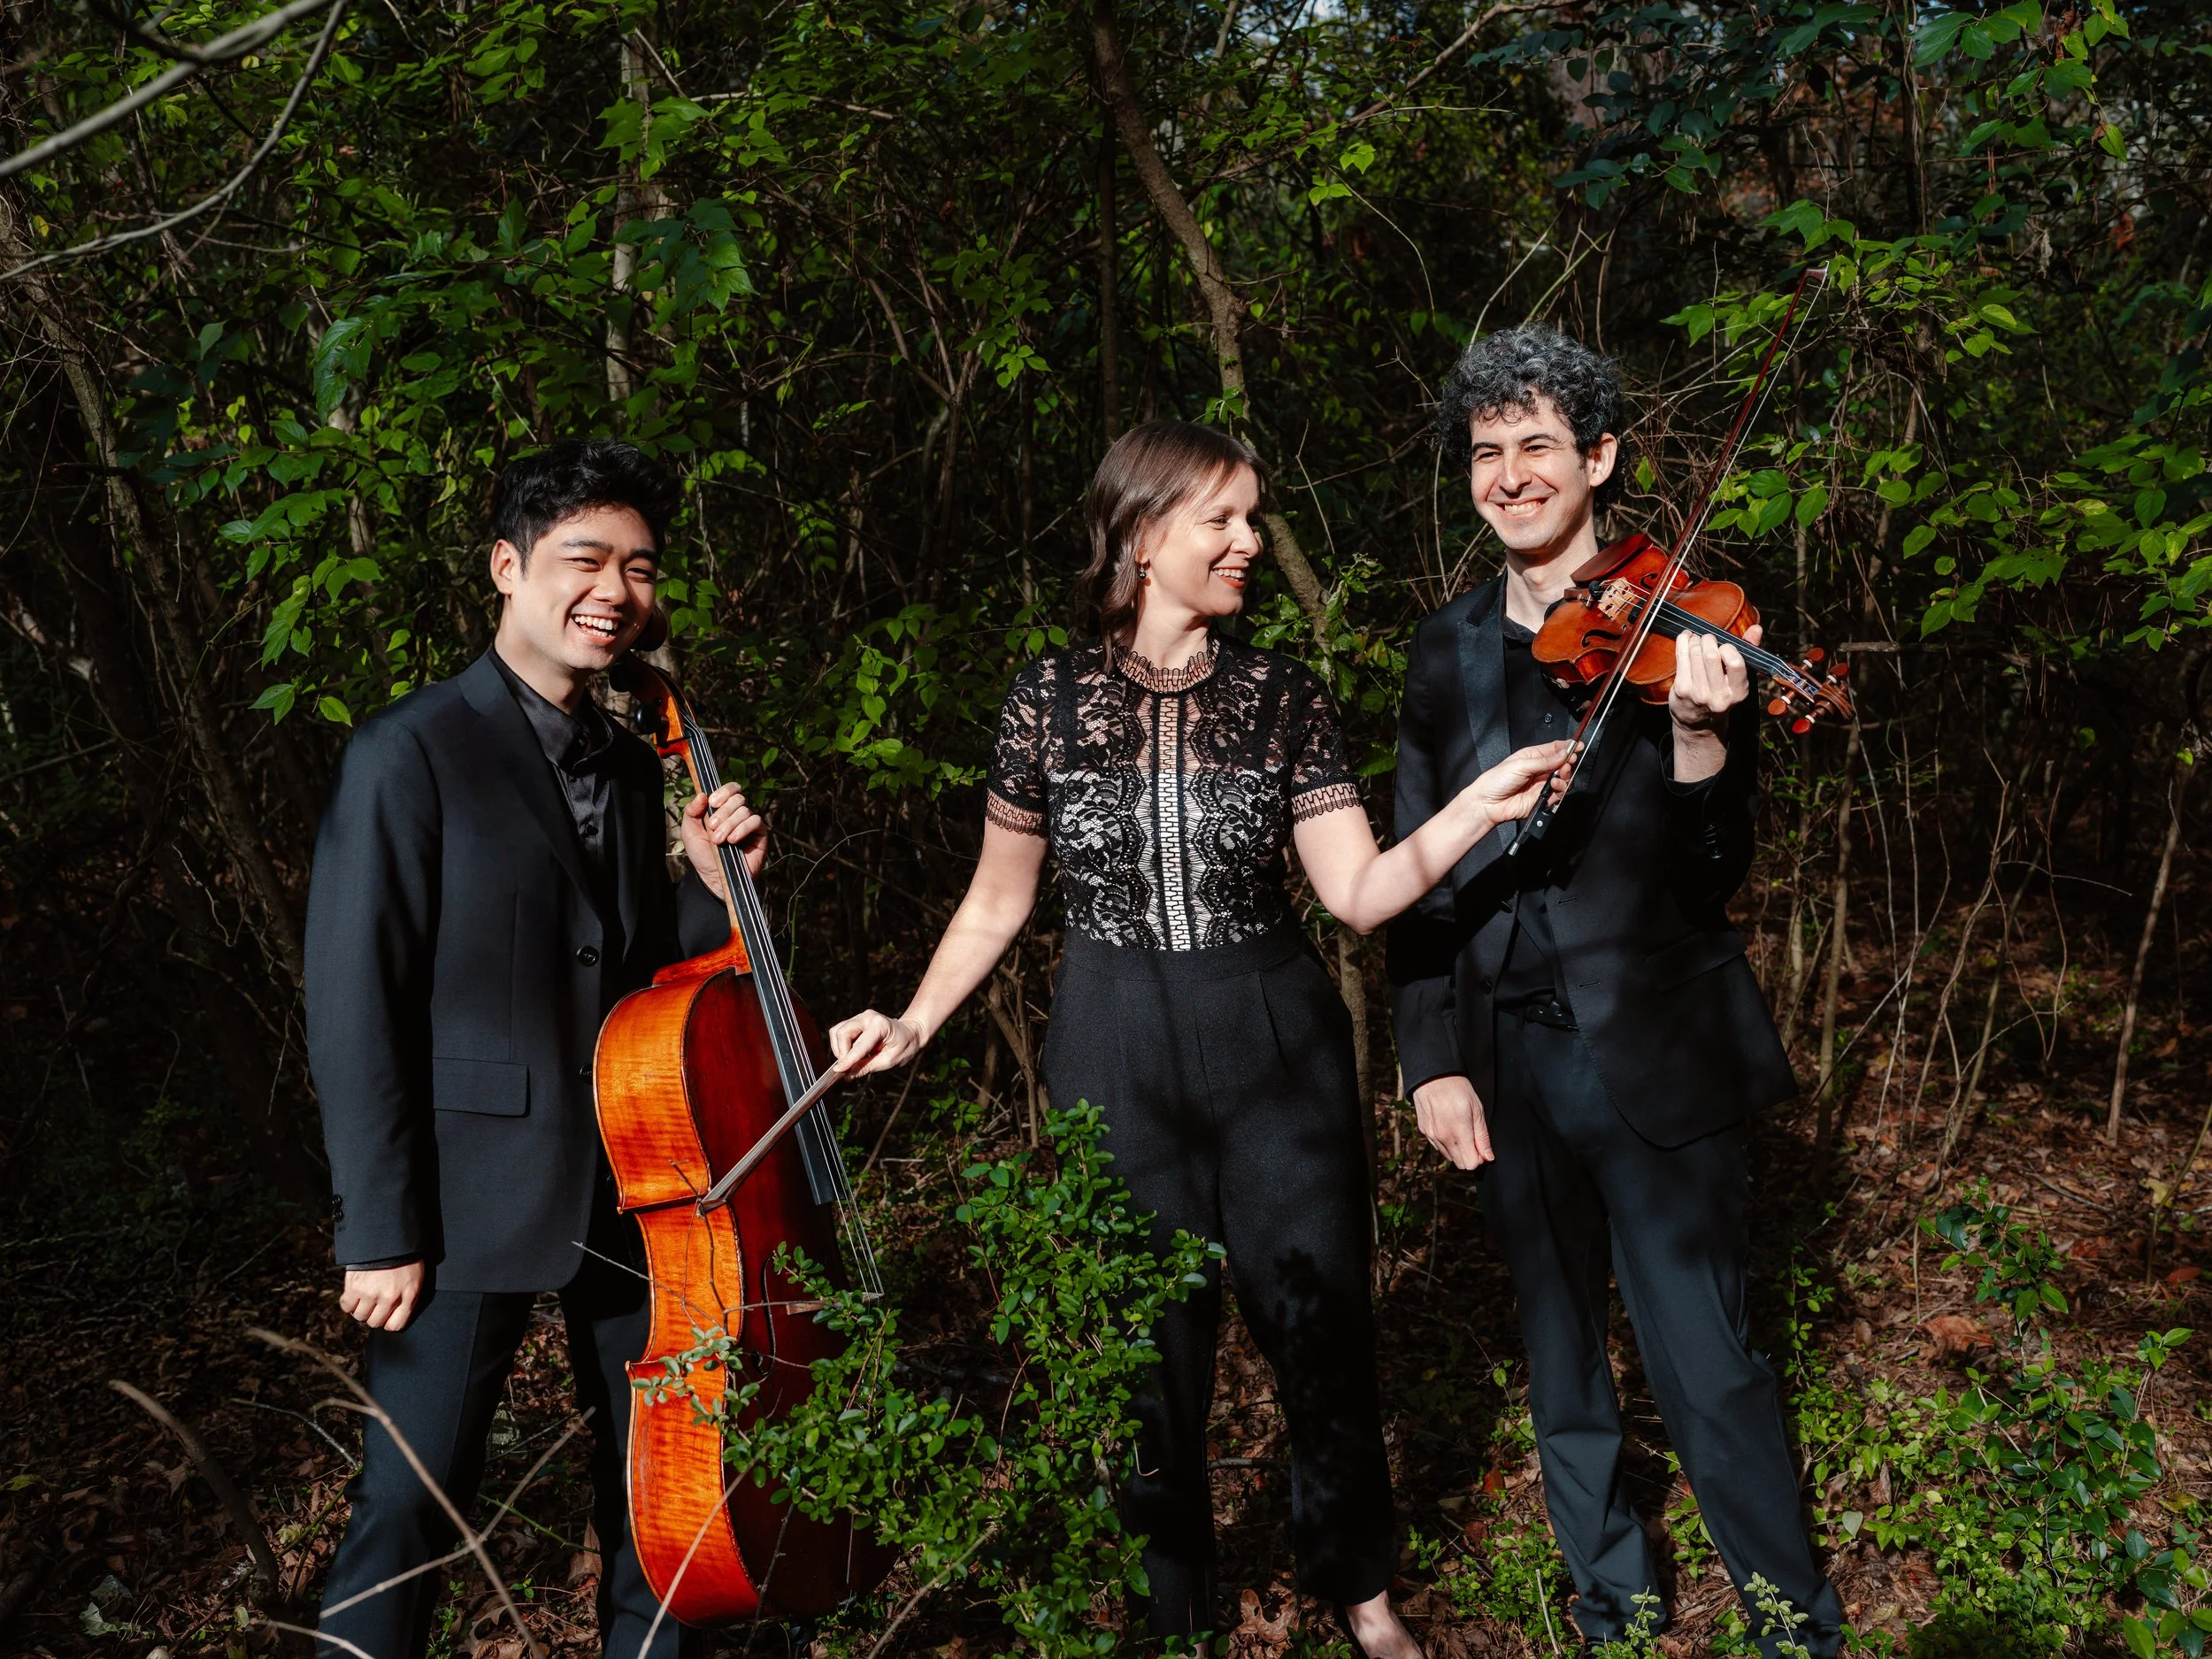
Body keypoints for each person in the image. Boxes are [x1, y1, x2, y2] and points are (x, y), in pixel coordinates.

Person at [829, 420, 1570, 1657]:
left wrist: (1473, 813)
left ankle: (1361, 1590)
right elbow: (998, 899)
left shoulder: (1282, 696)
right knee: (1144, 1352)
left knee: (1321, 1328)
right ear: (1140, 534)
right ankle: (1171, 1616)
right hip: (1111, 1042)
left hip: (1276, 1041)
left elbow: (1358, 893)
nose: (1248, 543)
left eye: (1252, 518)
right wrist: (912, 1017)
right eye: (1221, 519)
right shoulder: (1047, 699)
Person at [1388, 324, 1844, 1656]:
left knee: (1711, 1365)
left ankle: (1794, 1630)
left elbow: (1715, 872)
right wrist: (1432, 1057)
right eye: (1487, 451)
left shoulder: (1680, 625)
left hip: (1657, 1049)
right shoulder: (1441, 649)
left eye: (1538, 445)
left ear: (1599, 457)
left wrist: (1700, 737)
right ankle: (1615, 1613)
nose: (1511, 475)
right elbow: (1416, 869)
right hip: (1506, 1056)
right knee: (1561, 1362)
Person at [306, 439, 765, 1659]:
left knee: (658, 1500)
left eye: (641, 568)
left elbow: (638, 971)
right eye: (585, 559)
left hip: (634, 1184)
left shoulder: (628, 761)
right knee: (409, 1509)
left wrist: (712, 889)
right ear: (507, 567)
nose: (617, 590)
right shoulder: (407, 749)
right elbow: (356, 1001)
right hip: (461, 1201)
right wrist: (379, 1226)